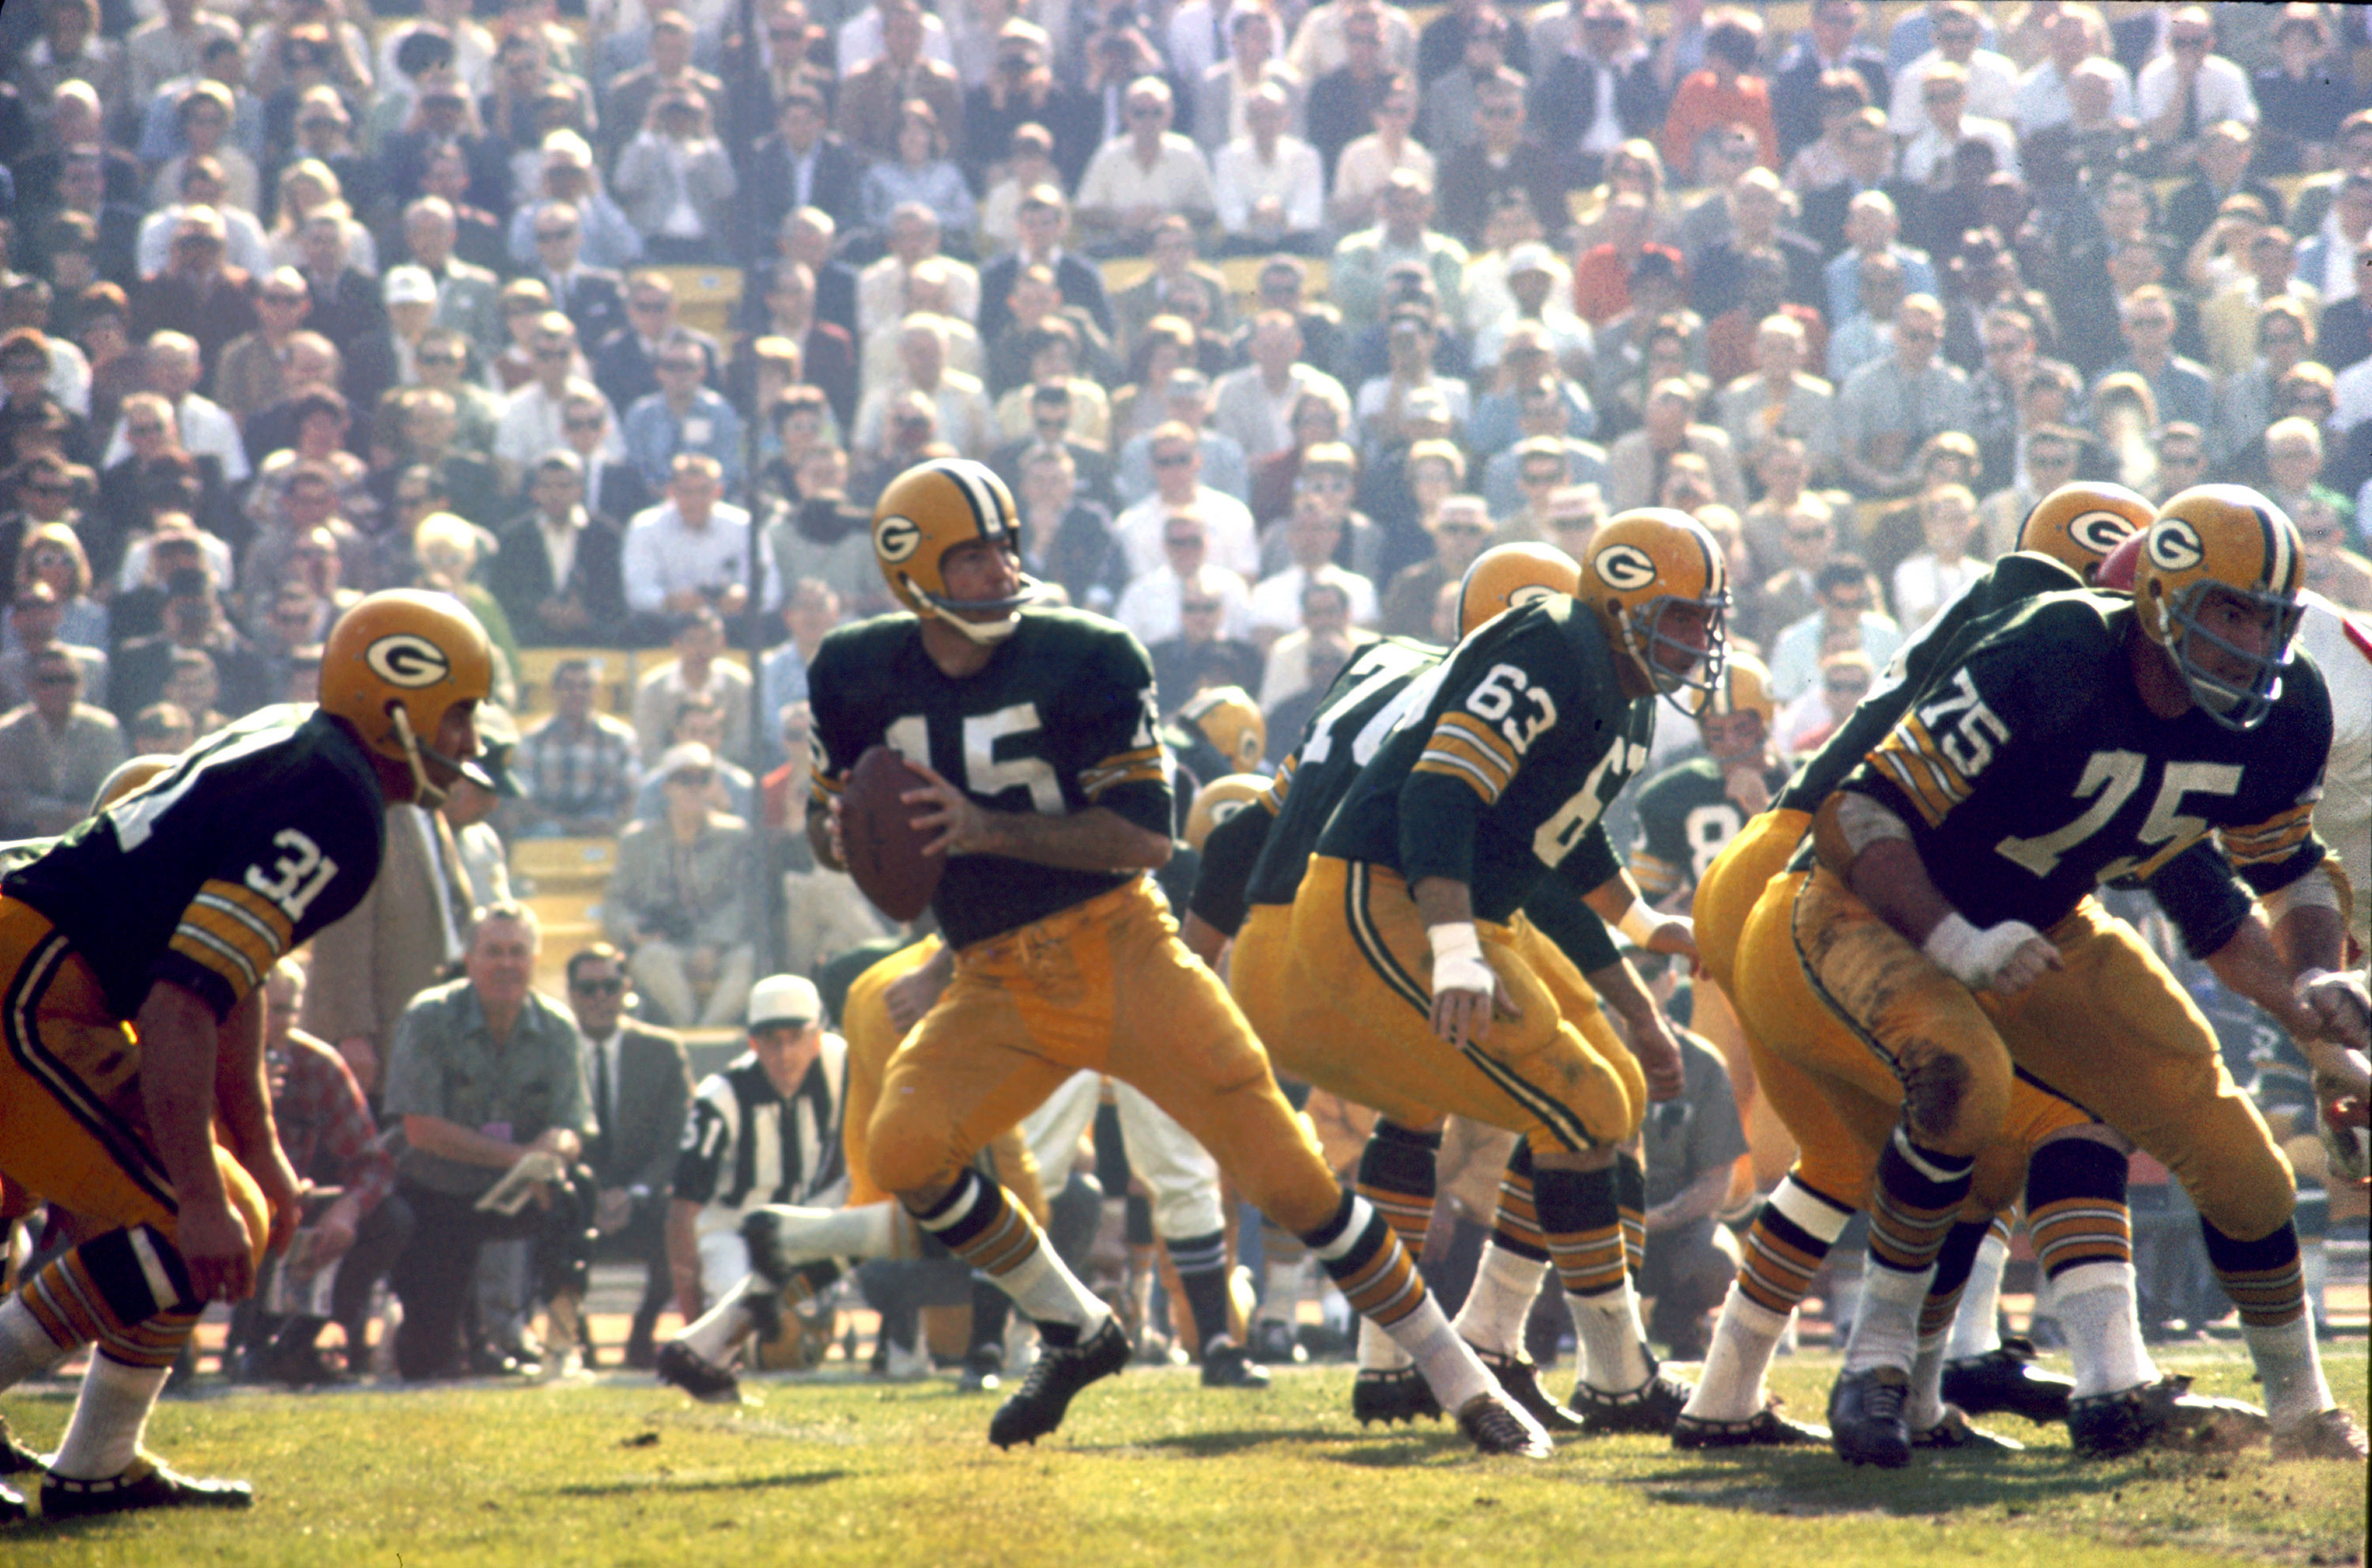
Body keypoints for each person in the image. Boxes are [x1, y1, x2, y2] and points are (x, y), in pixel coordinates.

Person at [803, 456, 1549, 1454]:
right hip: (995, 976)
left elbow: (1146, 842)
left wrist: (982, 827)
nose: (999, 568)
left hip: (1124, 950)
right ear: (910, 572)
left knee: (1290, 1182)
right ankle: (1075, 1328)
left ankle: (1462, 1384)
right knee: (903, 1153)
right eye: (973, 554)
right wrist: (844, 828)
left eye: (1006, 545)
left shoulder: (1088, 656)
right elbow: (834, 826)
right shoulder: (853, 671)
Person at [1802, 488, 2367, 1465]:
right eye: (2230, 611)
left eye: (2273, 618)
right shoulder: (2056, 650)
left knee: (2237, 1155)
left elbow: (2286, 868)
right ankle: (1877, 1362)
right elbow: (1854, 815)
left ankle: (2303, 1410)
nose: (2255, 643)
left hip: (2047, 921)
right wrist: (1954, 941)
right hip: (1886, 904)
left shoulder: (2285, 714)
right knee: (1964, 1082)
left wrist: (2317, 978)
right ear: (2157, 599)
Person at [0, 589, 489, 1515]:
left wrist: (256, 1154)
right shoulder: (335, 801)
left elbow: (229, 979)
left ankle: (100, 1459)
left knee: (230, 1211)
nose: (467, 741)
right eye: (459, 711)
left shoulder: (305, 742)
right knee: (182, 1226)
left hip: (53, 982)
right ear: (397, 700)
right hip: (29, 985)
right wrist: (194, 1198)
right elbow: (183, 1002)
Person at [382, 903, 599, 1382]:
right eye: (494, 951)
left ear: (535, 959)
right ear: (469, 958)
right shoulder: (429, 1017)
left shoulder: (558, 1027)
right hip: (434, 1193)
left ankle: (562, 1341)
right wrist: (518, 1157)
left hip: (517, 1191)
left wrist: (554, 1151)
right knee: (428, 1362)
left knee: (576, 1189)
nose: (507, 964)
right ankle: (434, 1333)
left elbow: (573, 1126)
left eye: (518, 952)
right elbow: (419, 1128)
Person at [655, 973, 850, 1400]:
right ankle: (712, 1354)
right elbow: (682, 1212)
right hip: (733, 1230)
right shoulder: (720, 1099)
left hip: (802, 1221)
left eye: (795, 1037)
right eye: (770, 1040)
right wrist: (696, 1326)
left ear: (818, 1038)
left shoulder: (841, 1066)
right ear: (752, 1044)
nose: (784, 1054)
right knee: (757, 1324)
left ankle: (896, 1338)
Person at [567, 943, 693, 1369]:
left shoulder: (663, 1052)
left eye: (610, 986)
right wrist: (593, 1194)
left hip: (644, 1196)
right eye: (588, 988)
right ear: (571, 994)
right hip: (574, 1195)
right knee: (547, 1214)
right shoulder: (554, 1048)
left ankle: (643, 1330)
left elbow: (675, 1140)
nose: (600, 998)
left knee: (682, 1215)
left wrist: (635, 1193)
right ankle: (574, 1335)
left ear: (627, 990)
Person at [606, 742, 759, 1029]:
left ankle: (706, 1032)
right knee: (651, 958)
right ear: (666, 787)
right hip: (666, 943)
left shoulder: (736, 835)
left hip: (721, 944)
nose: (693, 787)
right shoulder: (637, 841)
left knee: (751, 960)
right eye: (683, 779)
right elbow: (615, 902)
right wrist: (632, 929)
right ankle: (688, 1031)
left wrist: (714, 944)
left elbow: (743, 899)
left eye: (702, 779)